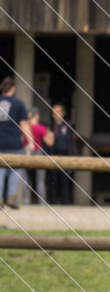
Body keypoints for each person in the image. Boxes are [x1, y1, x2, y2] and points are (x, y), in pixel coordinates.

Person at [0, 77, 30, 209]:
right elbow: (24, 124)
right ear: (13, 88)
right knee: (15, 170)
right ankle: (11, 197)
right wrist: (30, 141)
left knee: (0, 171)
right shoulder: (18, 103)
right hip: (14, 143)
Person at [23, 107, 54, 205]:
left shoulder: (24, 126)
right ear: (37, 115)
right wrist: (51, 134)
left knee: (26, 179)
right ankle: (42, 203)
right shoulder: (41, 127)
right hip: (37, 153)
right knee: (40, 180)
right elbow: (49, 143)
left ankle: (25, 201)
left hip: (26, 152)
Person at [48, 103, 77, 205]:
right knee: (53, 180)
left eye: (58, 112)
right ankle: (53, 202)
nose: (55, 114)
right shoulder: (50, 126)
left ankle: (65, 202)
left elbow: (72, 143)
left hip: (66, 155)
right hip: (54, 155)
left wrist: (73, 157)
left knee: (65, 180)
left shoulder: (69, 126)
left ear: (63, 113)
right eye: (53, 112)